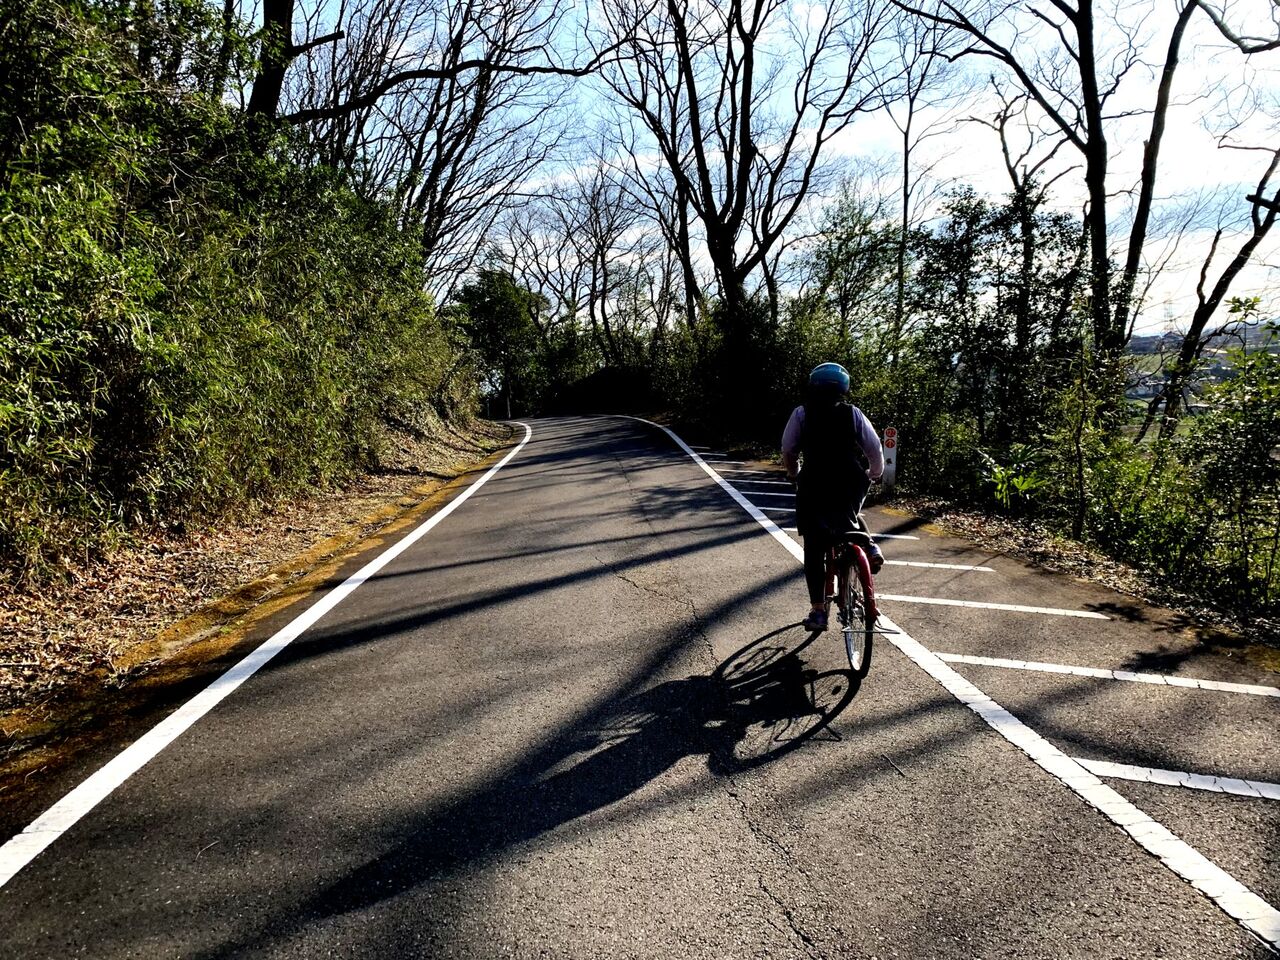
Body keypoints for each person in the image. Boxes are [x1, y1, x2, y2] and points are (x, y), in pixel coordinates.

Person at [781, 362, 885, 632]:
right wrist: (873, 474)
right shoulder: (853, 413)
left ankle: (818, 611)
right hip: (849, 479)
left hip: (814, 481)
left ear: (813, 386)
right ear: (843, 388)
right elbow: (874, 448)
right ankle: (870, 548)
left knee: (814, 546)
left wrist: (794, 473)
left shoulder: (802, 413)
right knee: (851, 514)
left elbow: (789, 449)